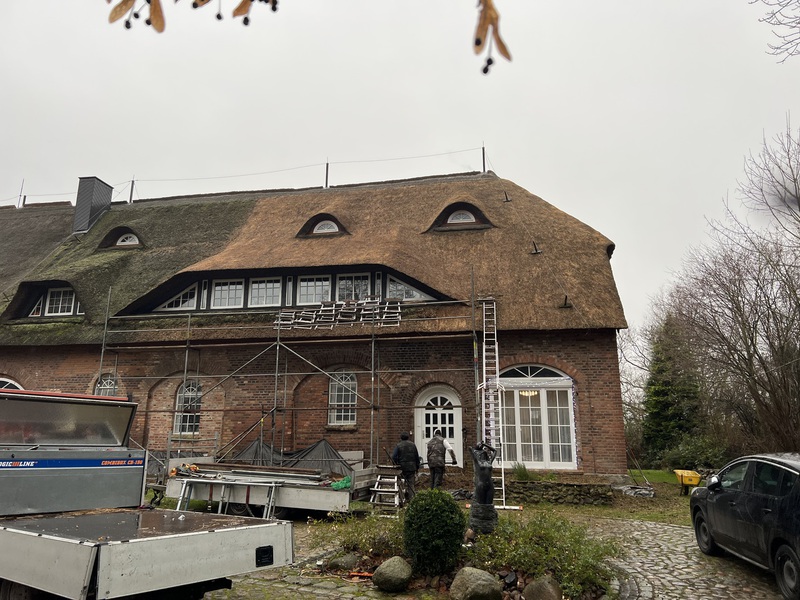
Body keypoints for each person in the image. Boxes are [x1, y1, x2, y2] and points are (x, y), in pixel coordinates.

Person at [391, 431, 421, 504]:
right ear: (408, 437)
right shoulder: (413, 445)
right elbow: (416, 457)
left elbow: (394, 457)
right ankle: (412, 500)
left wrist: (396, 464)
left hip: (402, 468)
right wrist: (417, 467)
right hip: (411, 468)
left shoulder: (398, 446)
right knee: (411, 484)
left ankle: (402, 499)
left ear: (401, 438)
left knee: (401, 483)